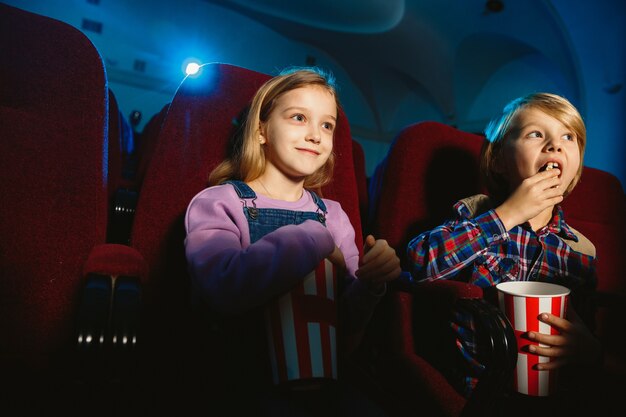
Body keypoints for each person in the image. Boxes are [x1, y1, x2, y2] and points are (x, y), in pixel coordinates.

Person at [184, 67, 400, 416]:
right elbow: (221, 288)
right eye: (299, 117)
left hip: (324, 379)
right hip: (239, 383)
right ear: (261, 130)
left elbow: (345, 321)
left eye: (327, 125)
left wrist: (372, 283)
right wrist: (313, 236)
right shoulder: (219, 201)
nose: (315, 135)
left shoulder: (333, 214)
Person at [406, 93, 602, 408]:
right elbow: (420, 263)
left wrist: (588, 348)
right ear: (498, 160)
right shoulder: (474, 214)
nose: (555, 145)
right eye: (536, 134)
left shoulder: (580, 251)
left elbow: (583, 327)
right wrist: (507, 215)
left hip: (556, 395)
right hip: (482, 392)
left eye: (569, 137)